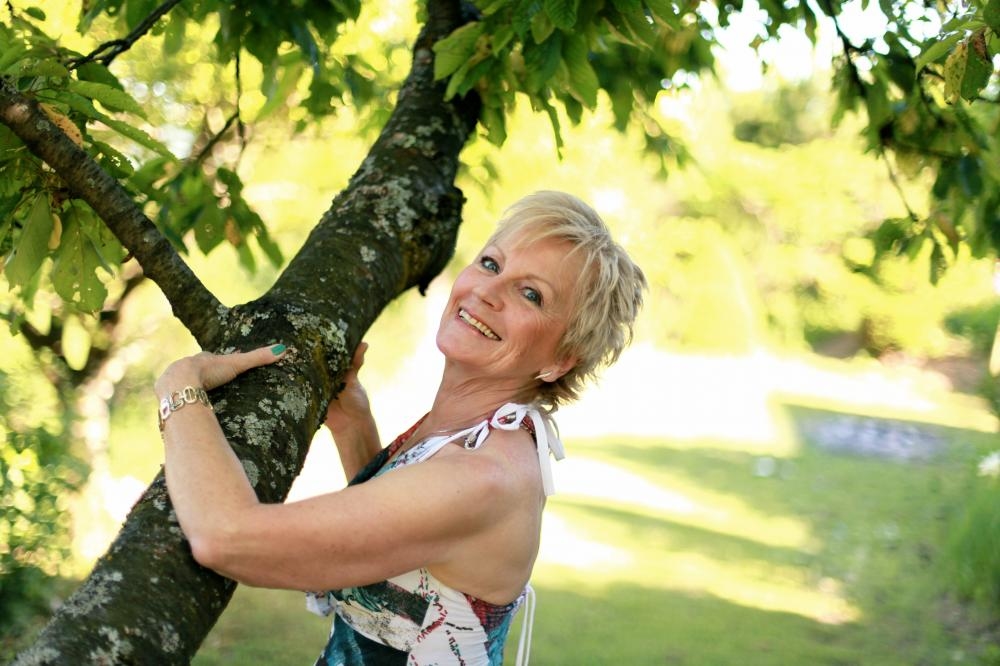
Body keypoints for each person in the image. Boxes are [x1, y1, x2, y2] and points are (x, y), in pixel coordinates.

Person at [155, 191, 646, 665]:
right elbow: (403, 542)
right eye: (491, 263)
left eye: (531, 294)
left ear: (561, 359)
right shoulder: (476, 433)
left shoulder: (483, 477)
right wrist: (353, 424)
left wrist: (180, 387)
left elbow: (225, 538)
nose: (486, 291)